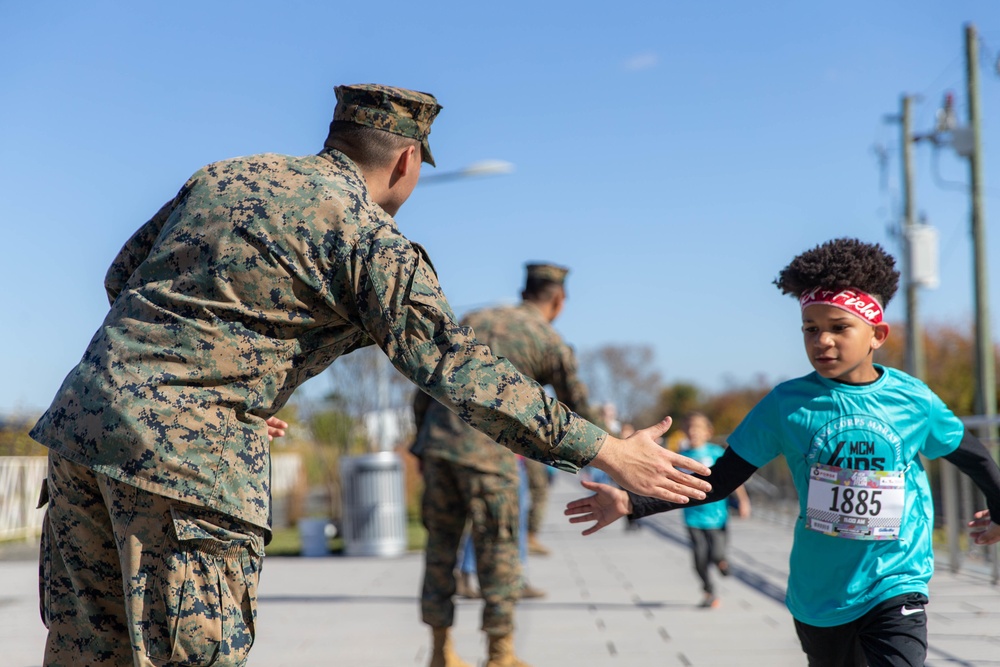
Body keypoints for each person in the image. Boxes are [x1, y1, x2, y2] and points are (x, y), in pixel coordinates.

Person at [30, 84, 714, 667]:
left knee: (87, 651)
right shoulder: (368, 238)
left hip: (81, 430)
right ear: (408, 161)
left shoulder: (225, 176)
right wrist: (606, 448)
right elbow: (457, 367)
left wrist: (217, 378)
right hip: (184, 462)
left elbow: (123, 275)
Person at [565, 238, 1000, 667]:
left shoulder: (913, 400)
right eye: (811, 329)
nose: (822, 340)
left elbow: (974, 456)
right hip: (820, 591)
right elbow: (718, 482)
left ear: (876, 335)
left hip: (896, 579)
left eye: (838, 327)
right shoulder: (786, 404)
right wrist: (632, 501)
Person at [413, 262, 603, 667]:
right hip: (489, 454)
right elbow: (576, 408)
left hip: (439, 445)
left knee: (440, 548)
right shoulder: (547, 338)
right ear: (558, 300)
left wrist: (420, 442)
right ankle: (500, 654)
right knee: (498, 548)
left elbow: (426, 374)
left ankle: (440, 650)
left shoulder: (472, 318)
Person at [677, 412, 750, 609]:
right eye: (690, 427)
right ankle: (709, 591)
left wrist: (742, 501)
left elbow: (734, 479)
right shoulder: (680, 457)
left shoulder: (717, 452)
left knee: (717, 553)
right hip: (692, 516)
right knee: (699, 558)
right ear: (684, 431)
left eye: (698, 428)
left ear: (708, 432)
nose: (693, 432)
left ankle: (721, 562)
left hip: (717, 516)